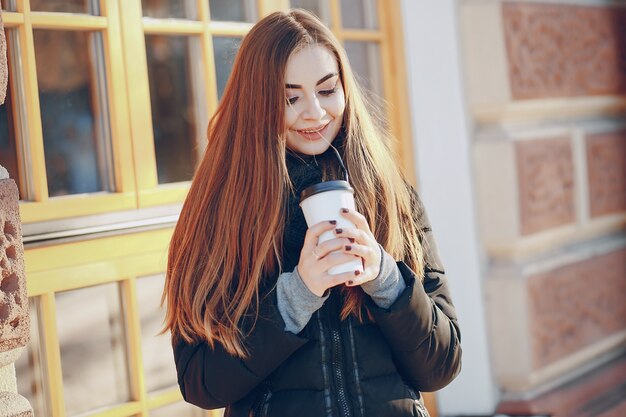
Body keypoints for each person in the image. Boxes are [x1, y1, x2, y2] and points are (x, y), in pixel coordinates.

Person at [162, 9, 461, 417]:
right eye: (290, 97)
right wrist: (295, 296)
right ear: (257, 102)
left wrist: (387, 280)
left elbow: (442, 367)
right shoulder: (221, 211)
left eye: (327, 90)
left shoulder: (389, 195)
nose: (316, 113)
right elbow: (200, 382)